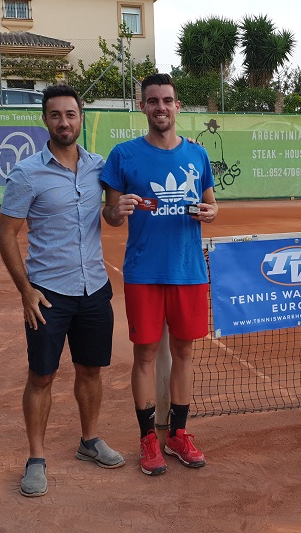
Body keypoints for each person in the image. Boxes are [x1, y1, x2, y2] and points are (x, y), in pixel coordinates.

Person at [0, 84, 124, 498]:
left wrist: (188, 142)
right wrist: (25, 292)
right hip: (47, 294)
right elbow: (6, 235)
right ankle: (36, 458)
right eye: (56, 115)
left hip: (95, 291)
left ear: (81, 118)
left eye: (71, 114)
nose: (64, 122)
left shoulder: (99, 167)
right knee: (42, 376)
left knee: (91, 370)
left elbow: (118, 202)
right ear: (45, 120)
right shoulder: (27, 172)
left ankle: (89, 441)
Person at [100, 73, 218, 476]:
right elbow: (110, 214)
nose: (161, 108)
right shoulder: (123, 155)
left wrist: (212, 212)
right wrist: (117, 211)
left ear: (178, 106)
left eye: (167, 101)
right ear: (143, 107)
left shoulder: (197, 155)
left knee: (184, 353)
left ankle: (178, 434)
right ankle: (148, 438)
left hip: (189, 271)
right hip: (144, 273)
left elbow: (210, 204)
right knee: (145, 355)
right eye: (153, 101)